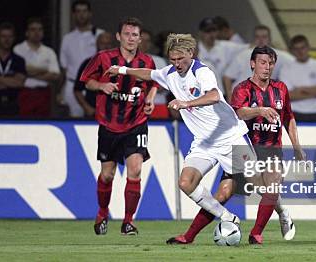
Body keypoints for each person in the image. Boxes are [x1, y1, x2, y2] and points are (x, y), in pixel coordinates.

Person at [104, 33, 252, 243]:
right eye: (172, 59)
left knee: (261, 186)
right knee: (186, 182)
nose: (176, 64)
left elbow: (214, 96)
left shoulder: (202, 72)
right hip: (204, 142)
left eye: (180, 59)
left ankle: (280, 218)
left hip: (229, 137)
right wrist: (122, 70)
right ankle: (227, 218)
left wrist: (185, 103)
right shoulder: (171, 73)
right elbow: (150, 74)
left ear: (191, 53)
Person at [159, 46, 305, 245]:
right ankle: (189, 236)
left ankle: (256, 234)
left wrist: (297, 147)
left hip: (271, 148)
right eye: (263, 62)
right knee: (223, 194)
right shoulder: (242, 89)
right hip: (242, 147)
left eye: (271, 63)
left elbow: (289, 118)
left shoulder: (281, 89)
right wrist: (259, 111)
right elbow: (238, 113)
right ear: (252, 64)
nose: (267, 67)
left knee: (271, 185)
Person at [79, 17, 158, 236]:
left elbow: (154, 84)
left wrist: (150, 99)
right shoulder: (104, 58)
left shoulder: (147, 61)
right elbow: (87, 80)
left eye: (135, 35)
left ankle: (128, 221)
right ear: (118, 36)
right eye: (127, 34)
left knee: (135, 170)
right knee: (107, 175)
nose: (131, 38)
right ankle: (102, 213)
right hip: (109, 124)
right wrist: (102, 85)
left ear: (140, 39)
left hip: (136, 123)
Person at [222, 25, 294, 102]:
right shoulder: (244, 54)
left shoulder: (280, 55)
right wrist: (229, 97)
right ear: (254, 39)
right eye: (257, 37)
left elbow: (295, 62)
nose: (261, 40)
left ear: (269, 39)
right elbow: (227, 77)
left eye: (264, 37)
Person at [59, 0, 105, 118]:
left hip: (95, 87)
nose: (81, 14)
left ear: (90, 13)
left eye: (84, 11)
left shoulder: (100, 35)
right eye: (78, 11)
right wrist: (60, 90)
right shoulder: (67, 38)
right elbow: (64, 68)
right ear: (73, 14)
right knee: (74, 120)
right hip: (72, 84)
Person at [14, 17, 60, 117]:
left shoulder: (49, 52)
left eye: (39, 29)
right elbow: (18, 72)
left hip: (43, 94)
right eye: (33, 29)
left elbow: (55, 75)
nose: (36, 32)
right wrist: (44, 70)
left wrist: (28, 73)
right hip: (25, 93)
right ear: (27, 32)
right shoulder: (18, 49)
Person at [280, 35, 316, 121]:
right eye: (296, 49)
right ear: (292, 51)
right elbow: (288, 96)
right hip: (294, 113)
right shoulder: (286, 68)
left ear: (308, 47)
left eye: (302, 48)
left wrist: (301, 89)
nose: (300, 52)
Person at [197, 17, 247, 100]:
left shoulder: (224, 46)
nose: (211, 34)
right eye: (208, 31)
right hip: (204, 94)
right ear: (201, 33)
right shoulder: (196, 49)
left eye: (214, 30)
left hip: (222, 93)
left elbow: (247, 48)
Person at [74, 32, 114, 118]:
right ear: (97, 45)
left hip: (115, 114)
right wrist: (87, 108)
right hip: (92, 112)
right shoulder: (88, 63)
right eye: (103, 43)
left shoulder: (121, 64)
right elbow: (77, 90)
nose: (106, 46)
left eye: (108, 44)